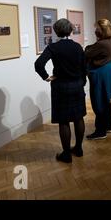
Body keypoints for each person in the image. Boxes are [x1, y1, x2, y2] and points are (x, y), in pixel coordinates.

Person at [34, 18, 87, 163]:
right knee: (78, 117)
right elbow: (84, 67)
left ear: (56, 31)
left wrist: (46, 77)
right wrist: (82, 81)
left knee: (64, 121)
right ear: (70, 30)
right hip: (76, 85)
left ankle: (66, 154)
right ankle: (79, 148)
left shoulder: (53, 47)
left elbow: (38, 64)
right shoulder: (77, 47)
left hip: (61, 86)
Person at [85, 19, 111, 140]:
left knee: (98, 102)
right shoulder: (107, 42)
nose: (95, 31)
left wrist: (88, 49)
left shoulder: (101, 44)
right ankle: (108, 126)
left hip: (100, 74)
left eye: (97, 29)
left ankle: (100, 131)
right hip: (106, 71)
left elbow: (87, 53)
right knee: (105, 101)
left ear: (103, 30)